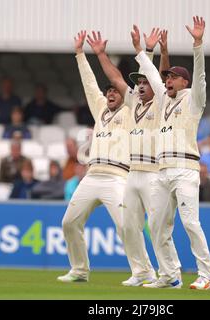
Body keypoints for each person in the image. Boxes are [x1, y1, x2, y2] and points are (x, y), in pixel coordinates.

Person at [87, 29, 181, 286]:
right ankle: (141, 272)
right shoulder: (133, 102)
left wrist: (162, 50)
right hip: (133, 174)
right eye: (137, 84)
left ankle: (171, 275)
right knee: (128, 226)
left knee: (159, 227)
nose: (139, 87)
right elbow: (116, 78)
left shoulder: (162, 103)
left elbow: (163, 77)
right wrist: (101, 55)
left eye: (144, 83)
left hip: (153, 173)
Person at [133, 17, 210, 290]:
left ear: (184, 81)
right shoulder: (165, 100)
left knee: (191, 223)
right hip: (163, 171)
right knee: (156, 226)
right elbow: (153, 76)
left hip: (186, 170)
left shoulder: (194, 99)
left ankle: (206, 277)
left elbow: (200, 74)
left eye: (172, 77)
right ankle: (169, 276)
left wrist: (198, 43)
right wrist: (142, 51)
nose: (166, 80)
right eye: (167, 77)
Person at [57, 31, 131, 283]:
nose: (110, 94)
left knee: (125, 227)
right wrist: (79, 54)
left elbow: (129, 86)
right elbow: (90, 83)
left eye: (115, 91)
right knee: (69, 223)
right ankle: (79, 270)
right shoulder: (100, 109)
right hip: (92, 175)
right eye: (108, 91)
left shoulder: (133, 111)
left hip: (118, 177)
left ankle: (143, 272)